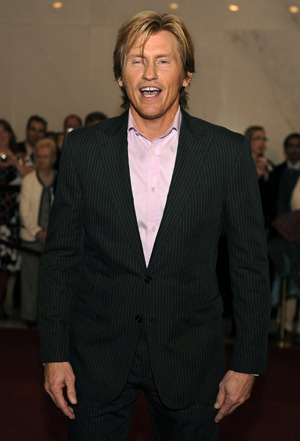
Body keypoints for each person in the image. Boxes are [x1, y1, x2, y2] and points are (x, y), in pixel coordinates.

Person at [39, 11, 270, 441]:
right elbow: (62, 258)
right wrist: (53, 353)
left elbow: (250, 265)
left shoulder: (226, 152)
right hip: (97, 355)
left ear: (185, 75)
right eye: (136, 60)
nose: (149, 73)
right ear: (120, 76)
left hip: (190, 357)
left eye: (164, 61)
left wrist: (247, 361)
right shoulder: (83, 150)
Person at [20, 138, 57, 328]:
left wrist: (54, 233)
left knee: (52, 283)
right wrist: (38, 232)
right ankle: (29, 317)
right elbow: (24, 212)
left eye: (46, 157)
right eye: (39, 157)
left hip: (56, 239)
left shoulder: (60, 178)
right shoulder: (28, 180)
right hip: (32, 237)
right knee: (30, 280)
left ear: (53, 158)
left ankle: (49, 318)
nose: (42, 160)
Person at [0, 120, 22, 318]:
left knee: (5, 266)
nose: (1, 136)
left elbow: (29, 175)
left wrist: (13, 157)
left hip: (10, 219)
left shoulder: (20, 156)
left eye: (4, 132)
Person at [245, 125, 274, 231]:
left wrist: (266, 175)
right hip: (244, 214)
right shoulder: (241, 163)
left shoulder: (268, 164)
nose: (262, 142)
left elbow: (273, 194)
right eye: (257, 138)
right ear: (248, 140)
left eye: (264, 139)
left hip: (263, 217)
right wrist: (256, 176)